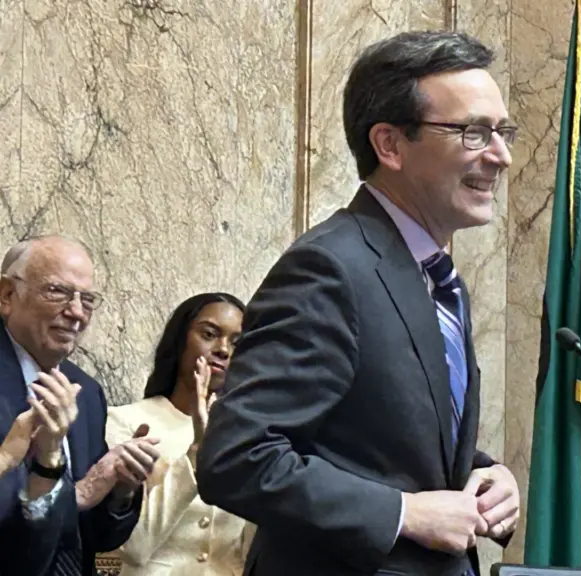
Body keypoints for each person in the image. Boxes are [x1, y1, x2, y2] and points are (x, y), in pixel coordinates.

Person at [195, 30, 521, 576]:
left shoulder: (438, 278)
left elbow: (380, 447)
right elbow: (236, 456)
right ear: (390, 145)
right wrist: (402, 514)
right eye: (473, 132)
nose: (501, 156)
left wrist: (486, 476)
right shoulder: (329, 268)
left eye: (502, 131)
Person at [0, 235, 160, 576]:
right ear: (7, 295)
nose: (76, 313)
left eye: (87, 300)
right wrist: (76, 493)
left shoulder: (86, 392)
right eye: (57, 291)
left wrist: (119, 489)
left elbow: (93, 537)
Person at [104, 293, 255, 575]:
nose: (223, 350)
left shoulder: (247, 434)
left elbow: (253, 554)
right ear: (179, 341)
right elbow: (133, 546)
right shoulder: (127, 421)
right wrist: (197, 453)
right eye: (209, 334)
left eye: (237, 342)